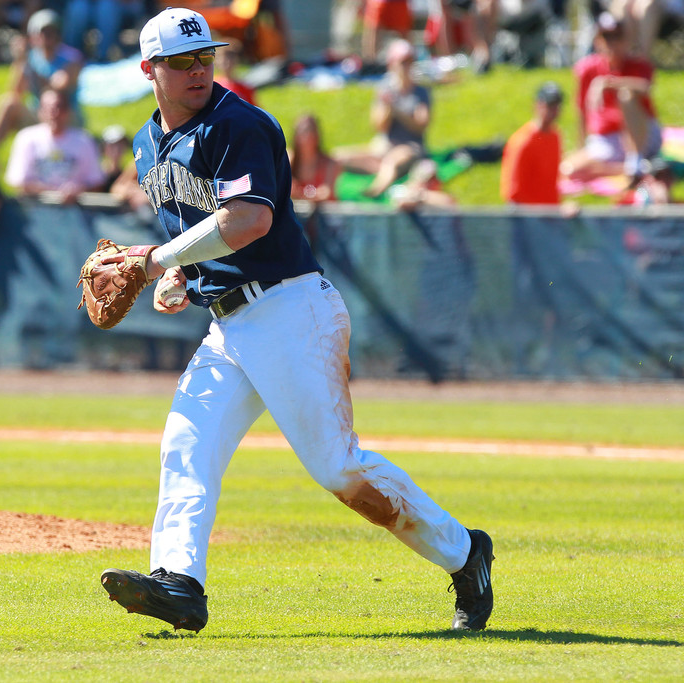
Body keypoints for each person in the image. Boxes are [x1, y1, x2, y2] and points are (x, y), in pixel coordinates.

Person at [98, 6, 495, 635]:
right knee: (186, 445)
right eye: (181, 61)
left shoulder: (240, 124)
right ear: (149, 70)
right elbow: (196, 236)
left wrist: (157, 262)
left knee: (338, 467)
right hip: (229, 324)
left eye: (206, 56)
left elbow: (249, 220)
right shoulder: (148, 145)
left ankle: (465, 553)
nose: (198, 69)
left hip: (289, 310)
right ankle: (179, 583)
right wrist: (179, 277)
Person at [560, 12, 661, 184]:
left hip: (642, 135)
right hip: (607, 140)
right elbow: (582, 110)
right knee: (569, 169)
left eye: (617, 36)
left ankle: (635, 160)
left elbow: (646, 87)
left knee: (626, 95)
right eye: (607, 37)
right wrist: (581, 145)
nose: (612, 43)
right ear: (598, 40)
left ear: (626, 39)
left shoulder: (639, 64)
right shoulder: (587, 68)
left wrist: (608, 83)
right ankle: (632, 169)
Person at [0, 8, 84, 154]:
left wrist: (28, 63)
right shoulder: (31, 58)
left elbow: (56, 89)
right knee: (8, 103)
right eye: (42, 32)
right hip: (38, 114)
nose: (47, 36)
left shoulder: (72, 58)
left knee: (53, 109)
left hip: (66, 117)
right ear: (33, 36)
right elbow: (16, 92)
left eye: (51, 32)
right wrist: (20, 61)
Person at [3, 87, 105, 201]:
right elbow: (19, 182)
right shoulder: (26, 138)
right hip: (36, 206)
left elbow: (96, 183)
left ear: (68, 112)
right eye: (48, 109)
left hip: (76, 208)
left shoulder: (84, 140)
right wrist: (55, 193)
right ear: (40, 112)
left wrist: (78, 190)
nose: (54, 114)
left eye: (59, 108)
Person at [362, 39, 431, 198]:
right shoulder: (385, 89)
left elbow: (421, 125)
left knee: (392, 161)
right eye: (402, 62)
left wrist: (397, 110)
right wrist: (387, 108)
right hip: (384, 145)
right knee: (341, 157)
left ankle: (376, 191)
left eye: (409, 61)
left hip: (411, 146)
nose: (406, 66)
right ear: (392, 64)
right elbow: (379, 126)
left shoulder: (420, 92)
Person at [500, 81, 564, 205]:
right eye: (550, 105)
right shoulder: (523, 141)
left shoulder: (556, 136)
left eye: (557, 105)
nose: (554, 111)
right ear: (537, 105)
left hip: (550, 211)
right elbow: (514, 193)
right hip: (528, 213)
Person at [63, 0, 144, 63]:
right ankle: (71, 57)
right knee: (78, 8)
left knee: (106, 8)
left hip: (118, 5)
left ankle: (103, 58)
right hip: (87, 4)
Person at [289, 113, 341, 202]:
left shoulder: (330, 163)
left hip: (323, 210)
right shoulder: (289, 160)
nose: (308, 136)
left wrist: (301, 195)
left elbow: (327, 194)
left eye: (311, 131)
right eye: (304, 132)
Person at [213, 39, 255, 106]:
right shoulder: (213, 84)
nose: (228, 61)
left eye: (231, 57)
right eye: (223, 57)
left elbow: (252, 108)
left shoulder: (245, 87)